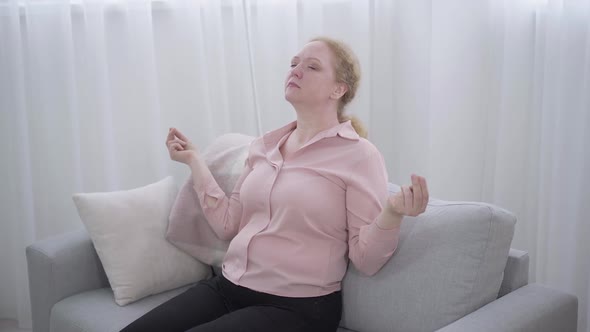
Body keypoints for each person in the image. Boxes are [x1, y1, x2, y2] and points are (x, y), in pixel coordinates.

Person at [120, 36, 429, 332]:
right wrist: (195, 161)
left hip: (297, 307)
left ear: (338, 89)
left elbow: (366, 259)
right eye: (294, 63)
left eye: (312, 66)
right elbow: (228, 225)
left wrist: (392, 213)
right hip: (228, 286)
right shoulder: (263, 147)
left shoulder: (359, 155)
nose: (295, 70)